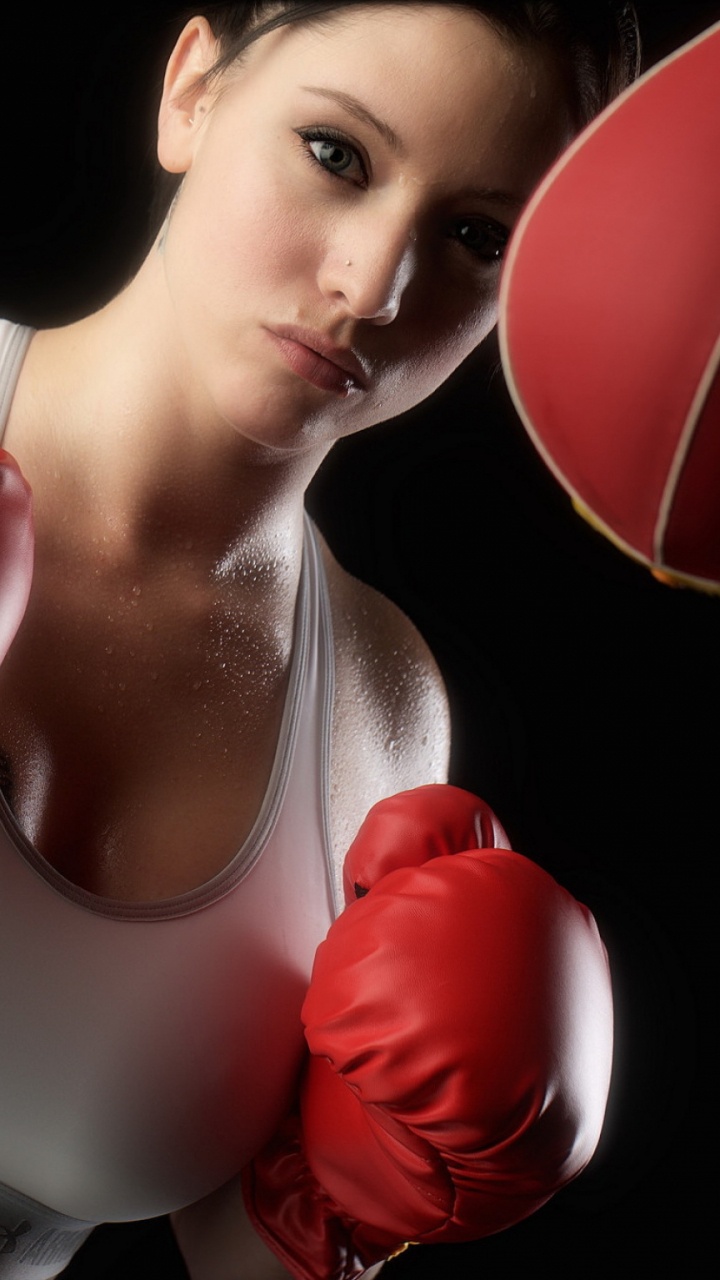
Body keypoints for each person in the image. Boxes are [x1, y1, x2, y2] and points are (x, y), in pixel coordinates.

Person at [0, 4, 639, 1278]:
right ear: (191, 92)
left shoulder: (382, 709)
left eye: (474, 236)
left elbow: (239, 1245)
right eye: (337, 154)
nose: (375, 286)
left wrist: (355, 1210)